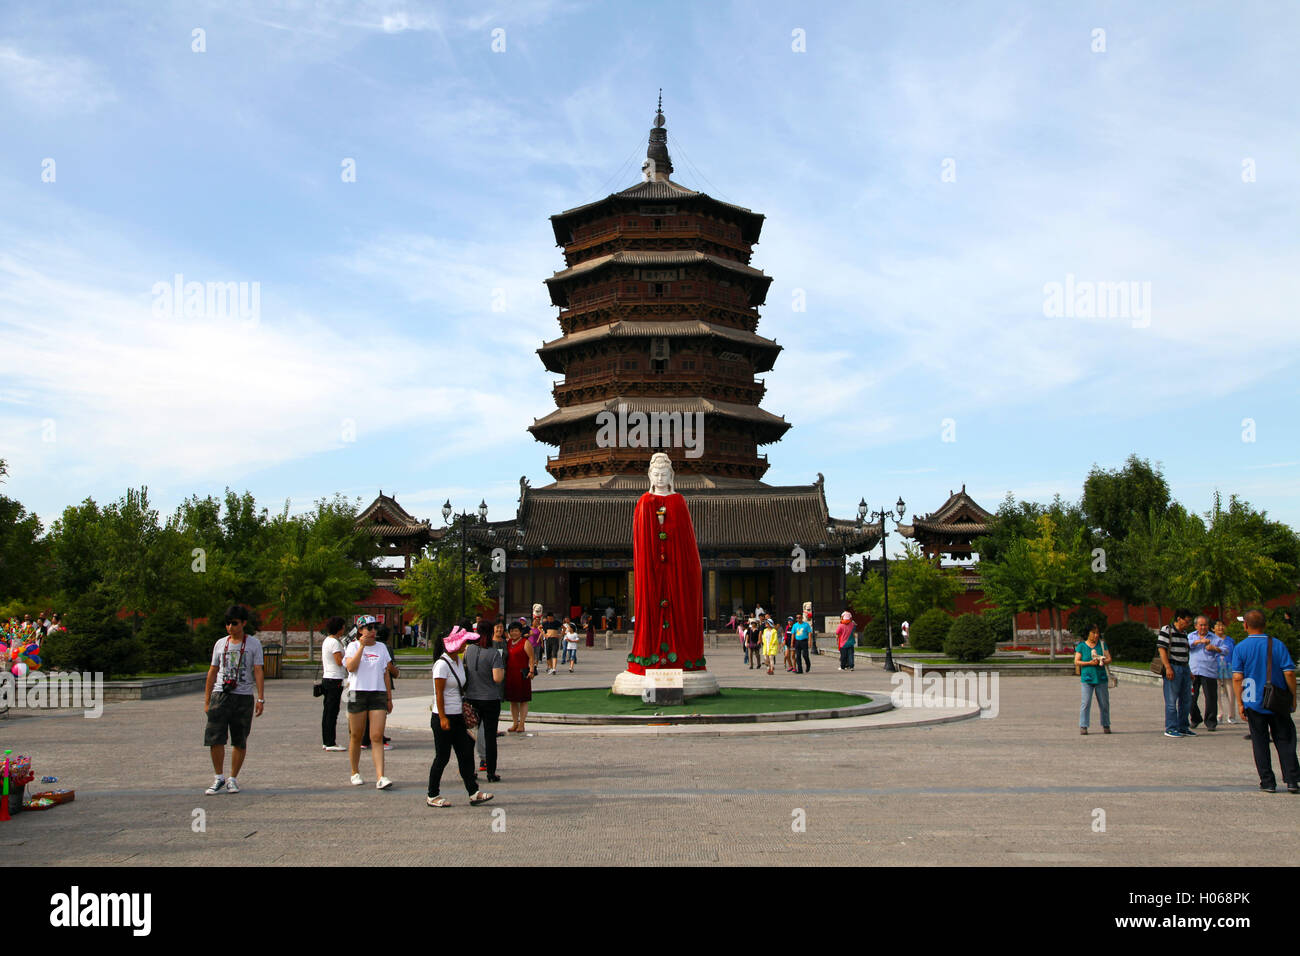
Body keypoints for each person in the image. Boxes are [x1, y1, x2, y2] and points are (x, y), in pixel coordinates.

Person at [1231, 608, 1299, 793]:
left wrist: (1240, 703)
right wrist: (1293, 698)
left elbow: (1237, 677)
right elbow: (1290, 672)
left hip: (1253, 701)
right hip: (1277, 701)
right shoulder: (1277, 644)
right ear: (1265, 624)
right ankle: (1292, 779)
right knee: (1285, 739)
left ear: (1245, 625)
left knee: (1260, 741)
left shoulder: (1240, 648)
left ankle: (1267, 781)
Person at [427, 624, 494, 807]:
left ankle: (473, 792)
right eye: (462, 642)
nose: (465, 646)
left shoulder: (457, 661)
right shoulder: (441, 665)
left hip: (458, 716)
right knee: (442, 757)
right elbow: (439, 693)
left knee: (465, 754)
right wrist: (442, 717)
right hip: (444, 716)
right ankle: (432, 794)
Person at [202, 605, 265, 795]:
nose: (230, 627)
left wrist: (261, 698)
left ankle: (233, 778)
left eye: (234, 623)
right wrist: (207, 700)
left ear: (243, 623)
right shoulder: (220, 644)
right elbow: (212, 671)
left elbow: (258, 670)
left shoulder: (253, 644)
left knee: (240, 739)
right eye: (228, 623)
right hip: (220, 695)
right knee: (215, 738)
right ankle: (218, 777)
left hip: (243, 696)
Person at [344, 615, 393, 789]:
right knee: (356, 735)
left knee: (377, 736)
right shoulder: (352, 646)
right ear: (360, 631)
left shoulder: (382, 648)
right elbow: (350, 667)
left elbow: (386, 672)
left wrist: (389, 697)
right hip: (357, 692)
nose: (373, 631)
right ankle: (354, 771)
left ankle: (381, 776)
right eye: (369, 628)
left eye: (374, 628)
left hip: (377, 693)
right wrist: (362, 647)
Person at [465, 619, 505, 783]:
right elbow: (497, 678)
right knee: (489, 737)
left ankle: (469, 770)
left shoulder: (469, 650)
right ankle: (491, 772)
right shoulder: (494, 653)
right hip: (489, 698)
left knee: (469, 736)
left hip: (471, 698)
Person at [1158, 609, 1195, 738]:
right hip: (1173, 667)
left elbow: (1185, 653)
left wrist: (1189, 670)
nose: (1188, 624)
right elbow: (1162, 649)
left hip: (1184, 668)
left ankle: (1183, 726)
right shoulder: (1167, 629)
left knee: (1186, 700)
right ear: (1179, 618)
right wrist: (1168, 667)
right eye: (1187, 621)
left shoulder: (1184, 633)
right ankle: (1171, 727)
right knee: (1171, 699)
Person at [1189, 614, 1229, 731]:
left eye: (1205, 625)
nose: (1203, 627)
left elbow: (1225, 650)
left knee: (1211, 698)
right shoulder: (1191, 636)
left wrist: (1215, 648)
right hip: (1193, 672)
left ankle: (1211, 721)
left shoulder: (1215, 638)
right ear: (1196, 626)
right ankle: (1195, 718)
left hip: (1209, 671)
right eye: (1200, 625)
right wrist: (1198, 642)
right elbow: (1186, 645)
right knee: (1190, 697)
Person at [1074, 624, 1112, 734]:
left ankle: (1106, 724)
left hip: (1101, 678)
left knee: (1104, 703)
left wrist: (1103, 660)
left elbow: (1109, 658)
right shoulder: (1082, 646)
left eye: (1097, 633)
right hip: (1087, 678)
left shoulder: (1102, 645)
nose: (1096, 635)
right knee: (1086, 702)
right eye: (1093, 633)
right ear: (1088, 633)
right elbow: (1076, 661)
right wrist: (1089, 663)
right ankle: (1083, 725)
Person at [320, 616, 347, 751]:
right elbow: (338, 661)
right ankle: (330, 742)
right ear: (339, 628)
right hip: (334, 679)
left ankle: (327, 740)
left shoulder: (328, 640)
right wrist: (348, 658)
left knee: (328, 711)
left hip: (328, 678)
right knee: (332, 711)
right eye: (343, 626)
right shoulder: (335, 643)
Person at [504, 619, 537, 733]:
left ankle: (522, 724)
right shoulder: (508, 643)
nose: (514, 633)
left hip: (522, 674)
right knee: (513, 701)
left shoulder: (525, 642)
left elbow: (532, 657)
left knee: (523, 700)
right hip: (510, 675)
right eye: (511, 631)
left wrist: (531, 670)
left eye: (516, 631)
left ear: (521, 631)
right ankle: (514, 723)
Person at [1214, 621, 1238, 723]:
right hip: (1215, 667)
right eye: (1218, 625)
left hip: (1229, 667)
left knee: (1231, 692)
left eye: (1222, 625)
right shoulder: (1211, 639)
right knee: (1216, 692)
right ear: (1213, 628)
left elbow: (1234, 654)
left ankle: (1231, 715)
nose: (1220, 627)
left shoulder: (1230, 640)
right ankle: (1219, 714)